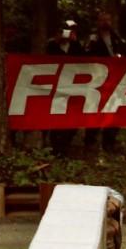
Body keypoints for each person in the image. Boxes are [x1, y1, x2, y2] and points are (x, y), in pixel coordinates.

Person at [84, 11, 126, 153]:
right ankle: (90, 141)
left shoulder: (116, 37)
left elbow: (125, 52)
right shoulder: (93, 37)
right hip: (97, 80)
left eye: (107, 19)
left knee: (114, 110)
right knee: (95, 109)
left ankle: (109, 142)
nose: (105, 22)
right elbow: (87, 54)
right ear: (98, 22)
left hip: (115, 80)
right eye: (102, 20)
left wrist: (119, 57)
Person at [46, 20, 83, 155]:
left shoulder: (76, 45)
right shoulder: (51, 44)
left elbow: (84, 60)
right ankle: (55, 146)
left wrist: (75, 41)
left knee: (73, 118)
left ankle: (66, 145)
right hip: (55, 87)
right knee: (56, 117)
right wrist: (57, 41)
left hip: (72, 86)